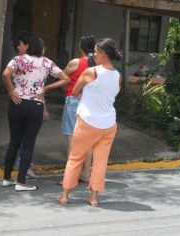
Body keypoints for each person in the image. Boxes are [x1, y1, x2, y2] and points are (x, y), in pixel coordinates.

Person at [58, 38, 122, 206]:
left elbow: (75, 90)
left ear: (102, 53)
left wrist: (82, 96)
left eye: (95, 51)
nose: (93, 54)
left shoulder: (91, 72)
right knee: (100, 162)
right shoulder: (118, 76)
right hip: (108, 124)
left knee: (75, 158)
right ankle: (93, 198)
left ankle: (65, 195)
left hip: (87, 121)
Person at [2, 34, 70, 191]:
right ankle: (21, 182)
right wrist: (46, 88)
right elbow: (65, 78)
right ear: (40, 47)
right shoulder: (47, 62)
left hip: (17, 103)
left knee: (14, 141)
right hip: (35, 105)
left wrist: (11, 92)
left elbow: (6, 74)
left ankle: (6, 178)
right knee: (28, 144)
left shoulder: (18, 59)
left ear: (29, 46)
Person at [58, 34, 96, 185]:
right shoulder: (98, 64)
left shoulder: (76, 63)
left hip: (74, 101)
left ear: (80, 47)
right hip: (91, 103)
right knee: (88, 140)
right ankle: (86, 174)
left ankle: (70, 176)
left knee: (72, 139)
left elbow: (61, 76)